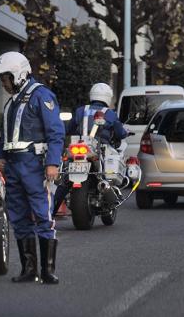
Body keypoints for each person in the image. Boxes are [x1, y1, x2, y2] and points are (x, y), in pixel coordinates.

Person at [0, 52, 65, 285]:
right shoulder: (12, 103)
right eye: (2, 80)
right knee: (19, 217)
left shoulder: (41, 96)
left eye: (5, 79)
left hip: (34, 165)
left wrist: (52, 163)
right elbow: (4, 137)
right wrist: (0, 156)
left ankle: (47, 271)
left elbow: (55, 132)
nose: (4, 84)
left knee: (42, 214)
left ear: (18, 74)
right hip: (13, 166)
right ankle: (29, 270)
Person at [53, 83, 128, 217]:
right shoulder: (109, 113)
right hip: (100, 148)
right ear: (108, 97)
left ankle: (51, 211)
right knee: (107, 172)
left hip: (79, 146)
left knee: (65, 179)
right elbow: (120, 133)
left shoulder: (81, 110)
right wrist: (124, 133)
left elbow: (69, 129)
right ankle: (108, 191)